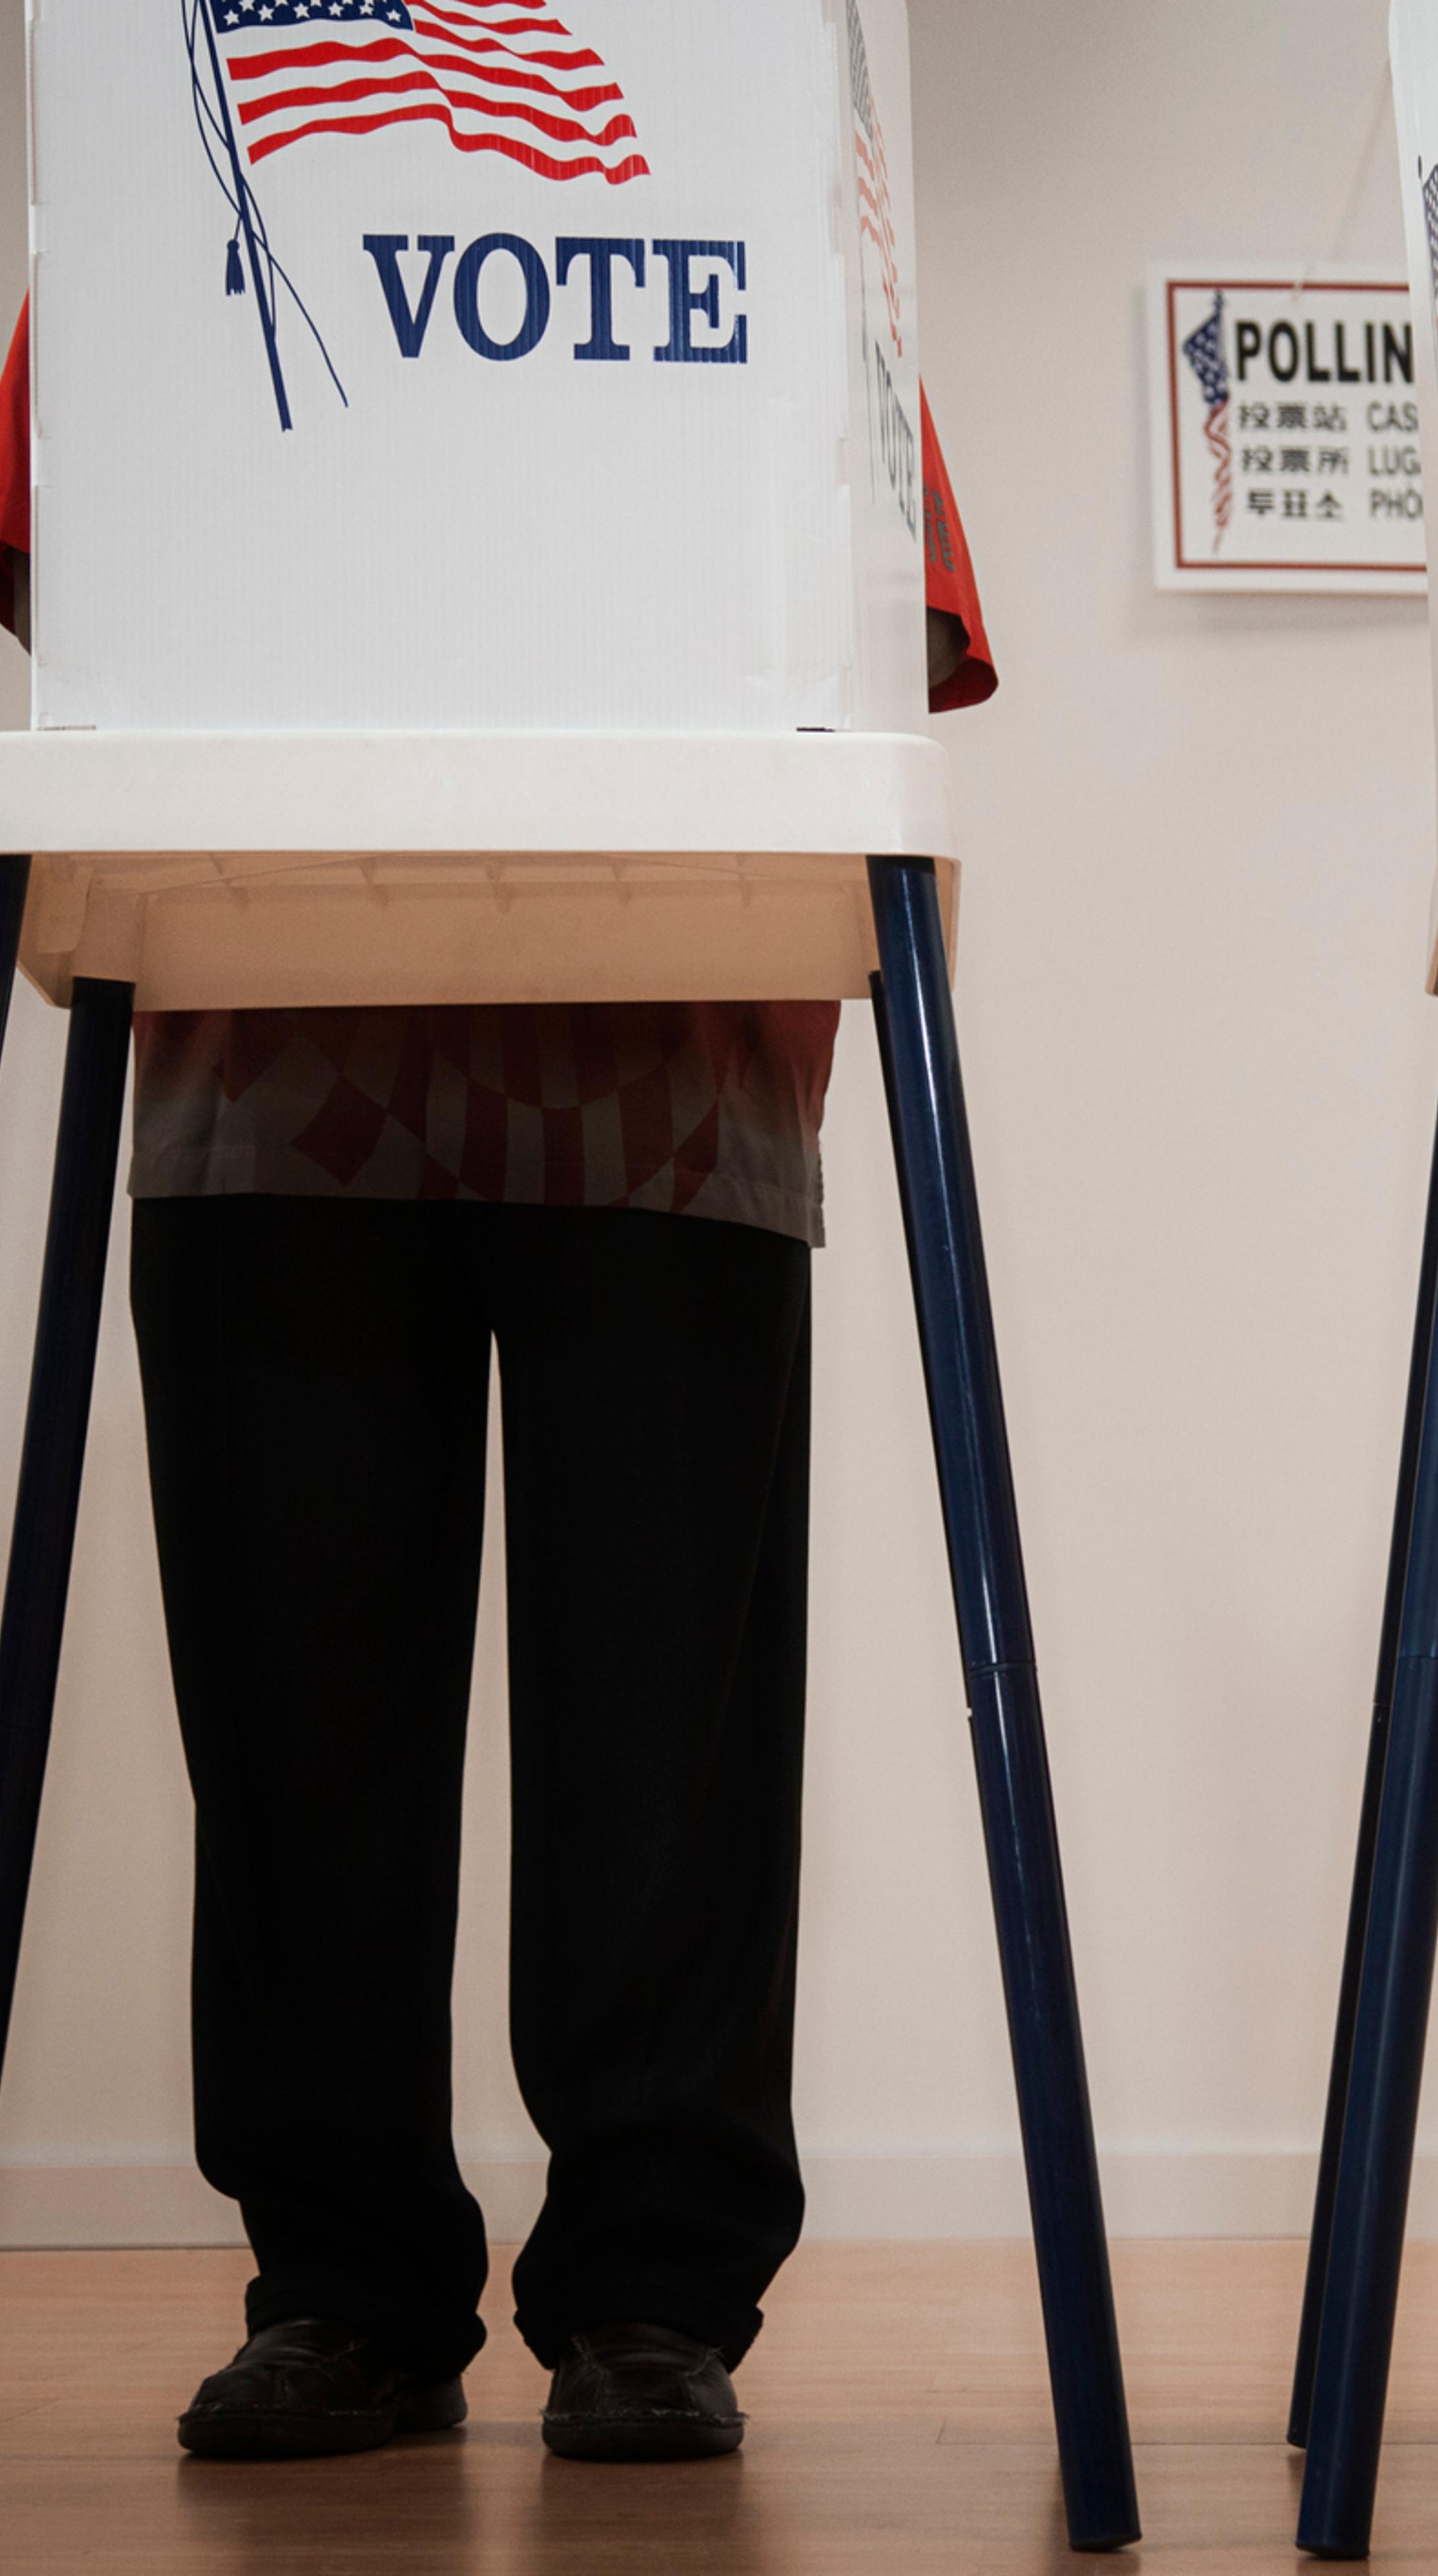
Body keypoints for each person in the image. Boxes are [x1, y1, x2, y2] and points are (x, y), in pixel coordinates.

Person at [1, 302, 995, 2464]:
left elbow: (896, 616)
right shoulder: (191, 184)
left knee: (665, 1726)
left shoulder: (756, 206)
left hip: (671, 1038)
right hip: (279, 1028)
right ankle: (344, 2278)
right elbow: (63, 567)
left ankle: (649, 2282)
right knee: (298, 1712)